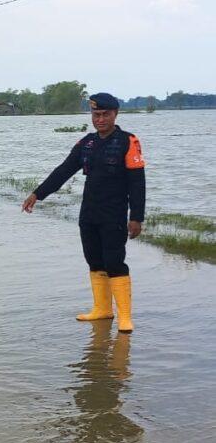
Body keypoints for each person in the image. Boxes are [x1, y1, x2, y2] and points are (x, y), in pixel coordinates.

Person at [22, 93, 146, 333]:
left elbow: (137, 183)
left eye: (105, 115)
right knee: (94, 260)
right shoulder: (86, 143)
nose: (100, 119)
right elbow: (63, 171)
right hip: (89, 213)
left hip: (114, 213)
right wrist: (37, 194)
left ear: (115, 114)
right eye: (95, 115)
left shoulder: (128, 141)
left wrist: (136, 217)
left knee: (114, 262)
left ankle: (125, 317)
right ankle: (102, 309)